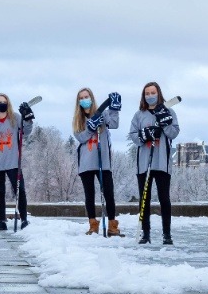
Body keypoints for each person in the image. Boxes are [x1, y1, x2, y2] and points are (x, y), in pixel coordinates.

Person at [128, 82, 180, 245]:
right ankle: (146, 233)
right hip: (144, 163)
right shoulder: (139, 115)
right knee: (145, 198)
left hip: (162, 162)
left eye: (153, 92)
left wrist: (165, 124)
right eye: (147, 93)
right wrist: (145, 134)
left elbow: (174, 133)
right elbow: (133, 135)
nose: (150, 96)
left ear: (159, 93)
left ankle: (167, 234)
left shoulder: (169, 111)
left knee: (164, 198)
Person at [0, 93, 34, 231]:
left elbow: (26, 131)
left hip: (13, 160)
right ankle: (2, 220)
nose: (2, 104)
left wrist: (28, 118)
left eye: (4, 101)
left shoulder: (15, 118)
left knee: (19, 190)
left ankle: (24, 219)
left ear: (8, 103)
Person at [73, 88, 122, 237]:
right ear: (78, 102)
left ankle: (112, 226)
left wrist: (114, 109)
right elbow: (81, 137)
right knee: (89, 195)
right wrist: (90, 127)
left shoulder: (103, 114)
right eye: (81, 98)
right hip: (86, 162)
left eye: (86, 96)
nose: (84, 99)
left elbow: (114, 124)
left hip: (103, 161)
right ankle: (93, 225)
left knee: (108, 193)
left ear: (92, 98)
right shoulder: (78, 120)